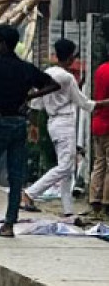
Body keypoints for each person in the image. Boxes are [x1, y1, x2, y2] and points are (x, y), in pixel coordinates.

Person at [0, 24, 58, 238]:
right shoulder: (25, 67)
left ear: (3, 43)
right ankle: (8, 224)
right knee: (16, 176)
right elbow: (53, 85)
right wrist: (29, 97)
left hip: (0, 123)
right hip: (19, 123)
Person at [22, 38, 108, 216]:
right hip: (65, 122)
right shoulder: (67, 78)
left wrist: (34, 126)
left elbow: (36, 105)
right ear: (70, 58)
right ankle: (31, 193)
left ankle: (68, 209)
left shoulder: (48, 73)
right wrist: (105, 103)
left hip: (53, 122)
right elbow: (85, 103)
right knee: (65, 167)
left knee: (66, 168)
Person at [92, 50, 109, 221]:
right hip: (107, 122)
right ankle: (106, 202)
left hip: (98, 122)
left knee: (99, 163)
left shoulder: (100, 69)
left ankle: (94, 200)